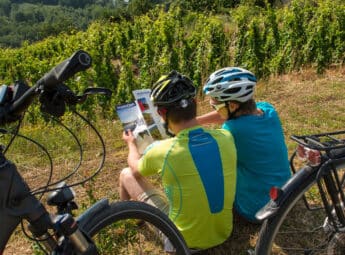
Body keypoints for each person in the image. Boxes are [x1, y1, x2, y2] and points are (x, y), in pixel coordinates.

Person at [119, 70, 237, 251]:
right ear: (195, 103)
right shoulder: (226, 136)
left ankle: (132, 219)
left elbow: (134, 169)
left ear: (161, 113)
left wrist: (131, 144)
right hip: (223, 233)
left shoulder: (162, 151)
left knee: (126, 174)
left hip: (182, 241)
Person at [197, 67, 291, 223]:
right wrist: (196, 121)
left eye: (215, 106)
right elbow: (229, 115)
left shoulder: (232, 130)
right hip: (285, 195)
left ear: (233, 106)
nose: (213, 108)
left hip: (257, 208)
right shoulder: (268, 110)